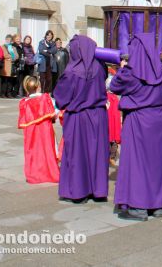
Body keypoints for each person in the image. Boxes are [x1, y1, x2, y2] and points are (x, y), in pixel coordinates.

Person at [109, 33, 162, 221]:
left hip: (138, 119)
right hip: (158, 120)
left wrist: (122, 68)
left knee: (136, 163)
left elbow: (114, 85)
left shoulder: (131, 72)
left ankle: (138, 206)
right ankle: (157, 205)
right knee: (156, 163)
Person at [53, 34, 109, 202]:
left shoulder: (71, 71)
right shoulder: (100, 68)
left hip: (78, 117)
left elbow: (61, 97)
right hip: (98, 116)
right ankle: (97, 191)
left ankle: (79, 192)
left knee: (77, 155)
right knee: (97, 154)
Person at [18, 75, 60, 184]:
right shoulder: (45, 98)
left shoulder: (24, 102)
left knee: (33, 151)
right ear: (38, 87)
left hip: (31, 133)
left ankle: (34, 173)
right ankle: (50, 173)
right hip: (45, 131)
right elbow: (55, 112)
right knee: (47, 150)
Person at [105, 71, 122, 166]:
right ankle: (110, 157)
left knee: (113, 139)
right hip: (109, 122)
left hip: (112, 122)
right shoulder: (108, 97)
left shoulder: (115, 98)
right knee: (111, 138)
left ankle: (111, 157)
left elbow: (117, 113)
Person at [0, 34, 20, 99]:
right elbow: (5, 55)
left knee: (10, 81)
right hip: (6, 66)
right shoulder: (3, 46)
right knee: (5, 80)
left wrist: (12, 57)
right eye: (8, 39)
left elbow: (17, 56)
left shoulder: (13, 47)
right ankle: (3, 93)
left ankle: (9, 93)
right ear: (6, 40)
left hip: (12, 66)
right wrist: (12, 56)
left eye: (10, 40)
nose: (9, 41)